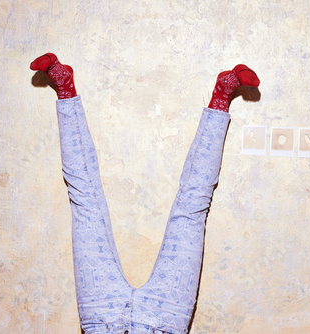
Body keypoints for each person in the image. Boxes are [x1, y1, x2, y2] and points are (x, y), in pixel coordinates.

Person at [30, 54, 260, 334]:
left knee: (85, 201)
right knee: (191, 210)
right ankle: (222, 95)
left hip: (102, 318)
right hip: (165, 319)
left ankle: (65, 88)